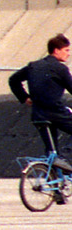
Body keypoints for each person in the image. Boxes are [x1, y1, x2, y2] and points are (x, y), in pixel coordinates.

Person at [10, 33, 72, 171]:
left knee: (51, 151)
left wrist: (25, 97)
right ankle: (65, 158)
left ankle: (57, 189)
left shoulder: (34, 66)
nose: (69, 54)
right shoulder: (60, 69)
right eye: (66, 50)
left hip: (38, 115)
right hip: (55, 113)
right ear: (56, 50)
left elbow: (13, 80)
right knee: (58, 157)